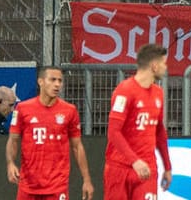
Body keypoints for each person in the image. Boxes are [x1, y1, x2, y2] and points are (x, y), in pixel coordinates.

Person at [9, 65, 92, 200]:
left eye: (60, 81)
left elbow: (77, 146)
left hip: (57, 185)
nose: (57, 85)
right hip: (28, 184)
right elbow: (13, 139)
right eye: (52, 80)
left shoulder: (69, 110)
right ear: (40, 81)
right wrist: (10, 163)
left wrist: (86, 179)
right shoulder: (23, 108)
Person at [105, 44, 171, 200]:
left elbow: (159, 131)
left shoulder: (158, 93)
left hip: (147, 169)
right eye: (164, 63)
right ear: (154, 66)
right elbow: (114, 132)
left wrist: (167, 167)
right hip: (119, 168)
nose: (165, 67)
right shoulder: (125, 90)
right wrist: (134, 160)